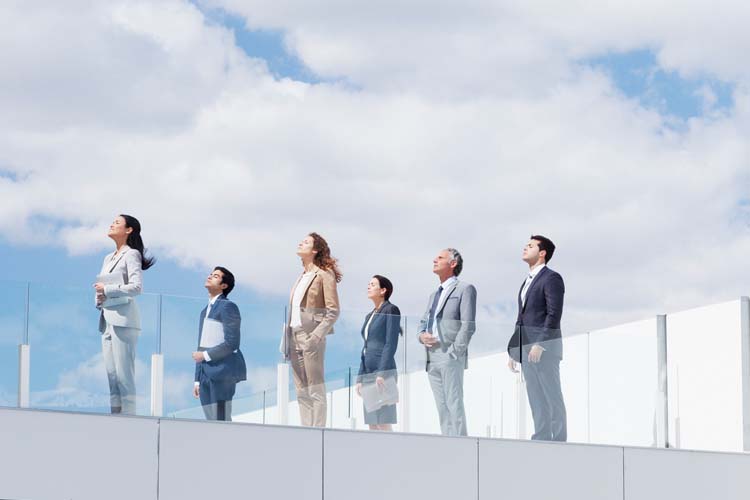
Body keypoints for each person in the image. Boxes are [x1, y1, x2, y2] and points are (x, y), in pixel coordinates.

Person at [507, 235, 567, 441]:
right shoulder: (526, 281)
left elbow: (554, 314)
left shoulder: (552, 278)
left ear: (542, 253)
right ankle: (541, 436)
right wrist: (515, 348)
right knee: (535, 396)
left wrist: (541, 344)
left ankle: (558, 440)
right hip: (525, 347)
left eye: (530, 246)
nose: (525, 247)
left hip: (544, 348)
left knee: (551, 395)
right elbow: (521, 318)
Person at [94, 214, 155, 415]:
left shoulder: (131, 254)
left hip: (124, 319)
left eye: (117, 222)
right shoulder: (107, 257)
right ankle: (116, 420)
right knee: (112, 377)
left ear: (128, 230)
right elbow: (103, 286)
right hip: (107, 318)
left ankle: (129, 420)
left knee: (124, 376)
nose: (111, 224)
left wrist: (108, 289)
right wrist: (100, 297)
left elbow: (136, 288)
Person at [418, 248, 477, 436]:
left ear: (453, 264)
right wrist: (421, 336)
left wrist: (454, 352)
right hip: (431, 356)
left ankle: (461, 446)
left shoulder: (465, 289)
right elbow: (422, 322)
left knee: (454, 403)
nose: (435, 260)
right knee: (441, 407)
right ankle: (448, 445)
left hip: (449, 353)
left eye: (440, 258)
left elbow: (468, 325)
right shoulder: (433, 295)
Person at [284, 233, 341, 427]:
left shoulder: (324, 274)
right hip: (293, 335)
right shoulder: (301, 277)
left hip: (311, 336)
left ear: (315, 250)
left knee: (315, 388)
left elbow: (333, 311)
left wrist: (316, 336)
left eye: (306, 242)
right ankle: (306, 432)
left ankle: (318, 432)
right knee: (301, 390)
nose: (301, 243)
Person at [192, 267, 247, 421]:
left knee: (221, 420)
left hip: (223, 372)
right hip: (205, 374)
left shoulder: (228, 306)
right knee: (210, 420)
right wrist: (197, 379)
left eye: (215, 276)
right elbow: (201, 344)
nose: (210, 276)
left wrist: (204, 355)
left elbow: (232, 342)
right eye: (210, 274)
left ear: (224, 286)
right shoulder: (204, 311)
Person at [356, 275, 401, 431]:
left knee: (383, 421)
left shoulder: (391, 309)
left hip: (383, 371)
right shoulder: (369, 316)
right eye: (368, 284)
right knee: (372, 423)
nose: (369, 286)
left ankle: (392, 453)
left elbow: (391, 343)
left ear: (383, 290)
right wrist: (360, 377)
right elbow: (365, 347)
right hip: (368, 372)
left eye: (373, 284)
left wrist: (382, 372)